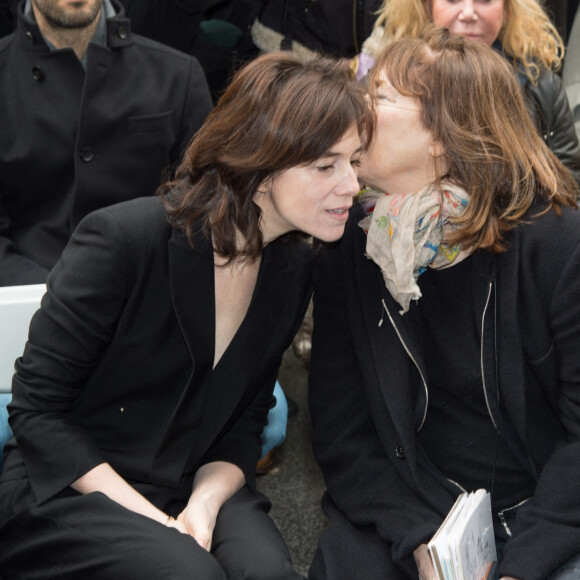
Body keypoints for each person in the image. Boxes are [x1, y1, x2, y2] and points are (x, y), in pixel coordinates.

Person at [0, 50, 371, 579]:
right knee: (187, 573)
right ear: (262, 164)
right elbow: (37, 413)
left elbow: (246, 422)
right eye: (325, 165)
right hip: (70, 486)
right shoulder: (122, 241)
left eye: (354, 161)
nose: (352, 186)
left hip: (193, 477)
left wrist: (202, 506)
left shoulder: (292, 269)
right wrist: (157, 522)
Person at [309, 28, 580, 580]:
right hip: (414, 506)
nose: (355, 108)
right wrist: (422, 542)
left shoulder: (556, 245)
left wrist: (519, 569)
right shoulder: (354, 245)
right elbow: (343, 435)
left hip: (547, 513)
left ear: (443, 134)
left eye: (378, 97)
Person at [0, 0, 213, 286]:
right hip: (23, 302)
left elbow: (201, 213)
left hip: (143, 301)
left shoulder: (178, 77)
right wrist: (46, 298)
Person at [355, 0, 580, 186]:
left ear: (507, 9)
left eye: (485, 0)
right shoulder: (382, 84)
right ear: (427, 7)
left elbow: (570, 184)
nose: (469, 13)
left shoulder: (542, 88)